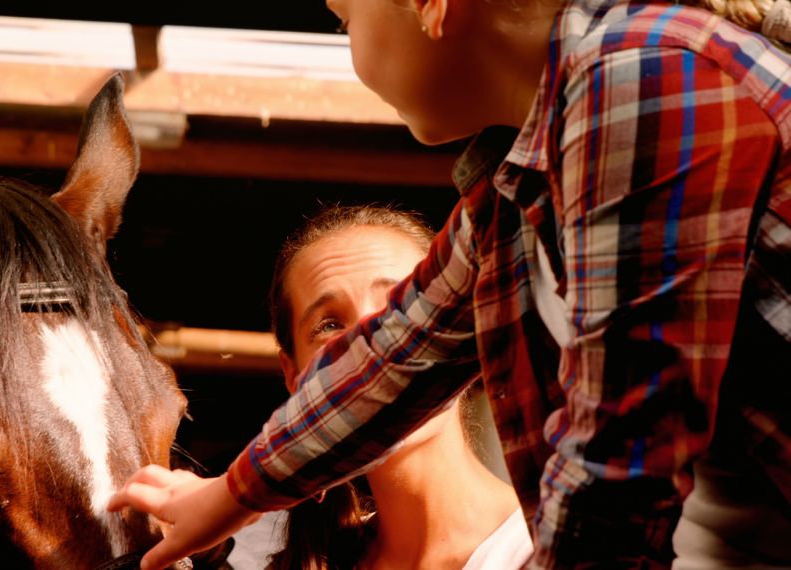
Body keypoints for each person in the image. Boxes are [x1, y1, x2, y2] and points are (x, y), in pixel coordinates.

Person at [108, 0, 791, 566]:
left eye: (345, 18)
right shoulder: (517, 183)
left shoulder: (644, 79)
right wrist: (229, 496)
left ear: (433, 6)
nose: (346, 36)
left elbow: (620, 467)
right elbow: (398, 354)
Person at [266, 205, 531, 569]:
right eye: (329, 325)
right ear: (294, 376)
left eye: (400, 309)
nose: (369, 344)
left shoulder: (562, 548)